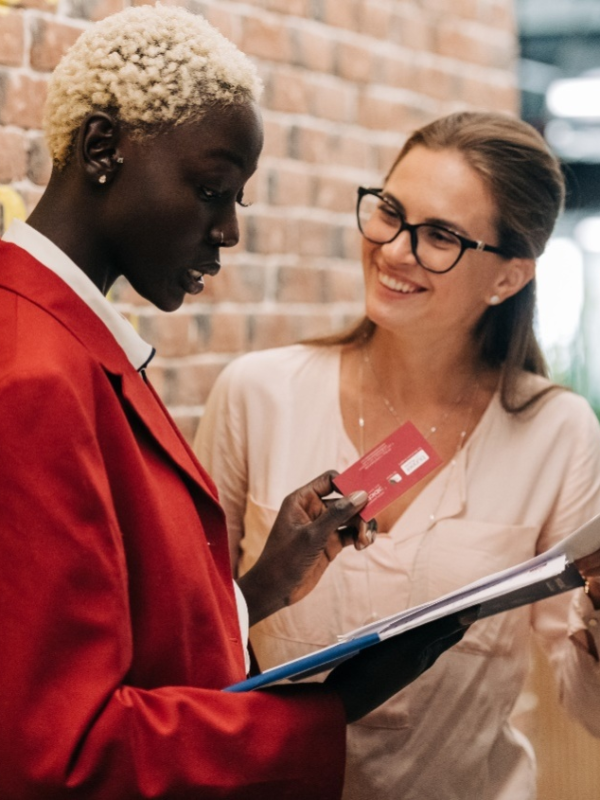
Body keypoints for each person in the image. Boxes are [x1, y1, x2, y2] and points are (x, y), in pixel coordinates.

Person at [0, 6, 472, 799]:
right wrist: (334, 705)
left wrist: (258, 588)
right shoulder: (32, 373)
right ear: (102, 149)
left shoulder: (63, 337)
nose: (228, 232)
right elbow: (58, 756)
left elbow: (129, 645)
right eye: (212, 190)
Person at [195, 110, 600, 800]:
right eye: (389, 211)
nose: (394, 249)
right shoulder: (258, 395)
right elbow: (187, 636)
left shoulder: (555, 432)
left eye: (439, 235)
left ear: (507, 279)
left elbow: (585, 704)